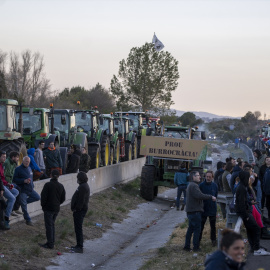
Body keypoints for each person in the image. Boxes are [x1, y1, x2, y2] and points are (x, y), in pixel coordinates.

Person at [235, 171, 270, 255]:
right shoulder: (242, 188)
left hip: (246, 212)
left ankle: (254, 247)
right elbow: (241, 203)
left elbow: (243, 201)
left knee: (250, 230)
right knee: (256, 228)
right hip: (246, 213)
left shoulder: (242, 187)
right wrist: (246, 215)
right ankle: (257, 248)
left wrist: (250, 203)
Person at [183, 171, 216, 252]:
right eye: (198, 176)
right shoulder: (194, 186)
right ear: (193, 177)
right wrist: (210, 196)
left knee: (190, 229)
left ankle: (187, 246)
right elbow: (199, 195)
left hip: (191, 211)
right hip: (195, 211)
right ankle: (196, 247)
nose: (200, 177)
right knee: (197, 229)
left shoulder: (191, 185)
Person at [40, 169, 66, 249]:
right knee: (52, 225)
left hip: (48, 208)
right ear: (58, 176)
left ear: (51, 175)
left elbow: (43, 197)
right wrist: (58, 203)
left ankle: (50, 244)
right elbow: (63, 198)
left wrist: (43, 206)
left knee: (49, 226)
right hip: (56, 208)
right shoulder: (61, 186)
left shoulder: (48, 185)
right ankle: (51, 242)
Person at [13, 156, 40, 226]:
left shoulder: (29, 168)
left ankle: (22, 202)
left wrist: (32, 185)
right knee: (24, 208)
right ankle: (28, 220)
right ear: (23, 161)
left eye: (28, 162)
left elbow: (31, 177)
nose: (27, 163)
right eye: (26, 161)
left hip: (30, 189)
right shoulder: (18, 169)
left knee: (37, 197)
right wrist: (23, 181)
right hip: (23, 190)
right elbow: (14, 180)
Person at [70, 171, 90, 253]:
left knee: (78, 228)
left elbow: (81, 200)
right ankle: (78, 245)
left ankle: (79, 246)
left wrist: (76, 209)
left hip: (80, 211)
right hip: (80, 210)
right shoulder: (83, 186)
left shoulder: (83, 187)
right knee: (78, 228)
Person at [0, 150, 19, 229]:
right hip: (2, 186)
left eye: (5, 156)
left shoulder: (1, 165)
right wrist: (3, 187)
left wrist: (8, 184)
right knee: (12, 198)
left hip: (4, 184)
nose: (5, 158)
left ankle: (7, 207)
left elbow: (2, 178)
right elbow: (1, 179)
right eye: (3, 157)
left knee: (16, 191)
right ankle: (6, 218)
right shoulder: (6, 164)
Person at [199, 171, 218, 247]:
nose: (208, 178)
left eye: (210, 177)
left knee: (213, 226)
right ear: (205, 177)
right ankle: (198, 240)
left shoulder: (215, 186)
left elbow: (216, 195)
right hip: (203, 208)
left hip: (212, 208)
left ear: (212, 177)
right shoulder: (201, 185)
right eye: (207, 176)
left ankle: (213, 240)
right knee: (201, 225)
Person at [3, 151, 23, 215]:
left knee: (17, 191)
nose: (18, 159)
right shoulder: (7, 163)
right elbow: (4, 176)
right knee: (13, 196)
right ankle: (9, 210)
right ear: (13, 157)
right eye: (17, 157)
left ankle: (8, 205)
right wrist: (8, 184)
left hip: (9, 183)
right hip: (5, 184)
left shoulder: (13, 163)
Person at [259, 156, 270, 222]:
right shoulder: (265, 169)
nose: (269, 161)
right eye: (267, 160)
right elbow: (263, 179)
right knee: (268, 205)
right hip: (266, 191)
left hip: (268, 191)